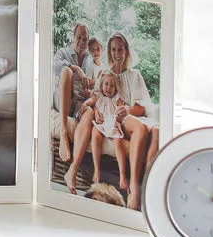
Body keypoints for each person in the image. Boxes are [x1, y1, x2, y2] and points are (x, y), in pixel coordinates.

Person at [64, 32, 154, 210]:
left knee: (143, 128)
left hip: (125, 116)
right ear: (109, 51)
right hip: (106, 117)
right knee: (89, 111)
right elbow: (96, 97)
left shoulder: (135, 74)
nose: (117, 53)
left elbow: (144, 105)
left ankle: (135, 187)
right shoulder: (105, 74)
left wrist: (126, 109)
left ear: (126, 51)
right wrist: (96, 109)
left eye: (120, 49)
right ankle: (72, 170)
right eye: (113, 49)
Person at [82, 71, 130, 192]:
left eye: (112, 86)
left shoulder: (117, 99)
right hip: (100, 124)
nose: (108, 88)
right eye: (106, 85)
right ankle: (97, 170)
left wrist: (121, 110)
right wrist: (86, 103)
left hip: (112, 124)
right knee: (95, 135)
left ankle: (122, 174)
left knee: (118, 142)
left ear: (115, 88)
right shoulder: (98, 96)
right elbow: (90, 101)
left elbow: (122, 108)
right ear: (102, 86)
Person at [52, 23, 92, 162]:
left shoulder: (90, 59)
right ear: (73, 37)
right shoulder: (63, 52)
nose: (81, 42)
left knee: (90, 112)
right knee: (67, 71)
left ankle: (77, 165)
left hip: (78, 103)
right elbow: (54, 66)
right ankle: (63, 130)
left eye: (85, 39)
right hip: (62, 99)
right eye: (79, 38)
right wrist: (75, 68)